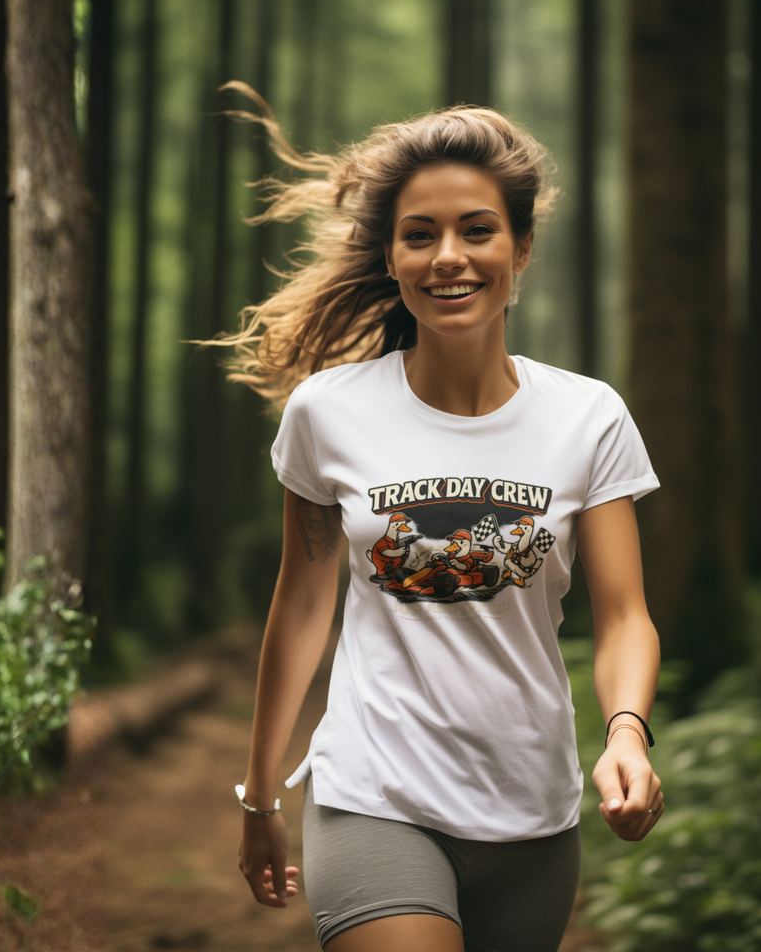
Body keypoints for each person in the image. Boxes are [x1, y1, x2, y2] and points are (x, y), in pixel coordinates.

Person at [219, 86, 664, 952]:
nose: (447, 257)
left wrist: (628, 736)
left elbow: (623, 616)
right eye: (419, 234)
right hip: (373, 798)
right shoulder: (327, 413)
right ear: (391, 255)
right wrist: (260, 794)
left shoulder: (589, 418)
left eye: (477, 229)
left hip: (532, 815)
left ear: (522, 247)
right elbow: (303, 608)